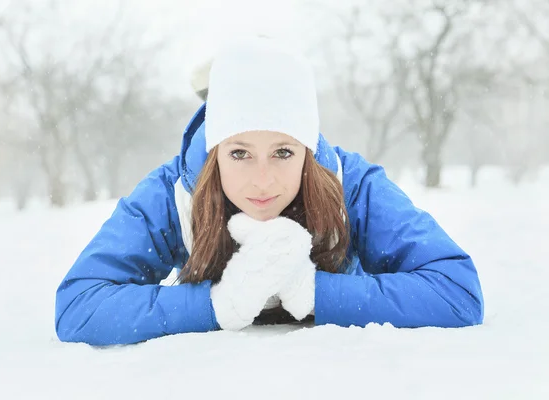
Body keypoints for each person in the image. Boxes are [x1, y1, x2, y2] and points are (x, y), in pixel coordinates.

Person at [55, 37, 484, 346]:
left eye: (282, 151)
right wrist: (215, 305)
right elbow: (80, 306)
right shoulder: (174, 193)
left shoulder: (351, 184)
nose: (263, 180)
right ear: (215, 151)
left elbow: (457, 293)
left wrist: (313, 292)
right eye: (240, 153)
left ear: (307, 151)